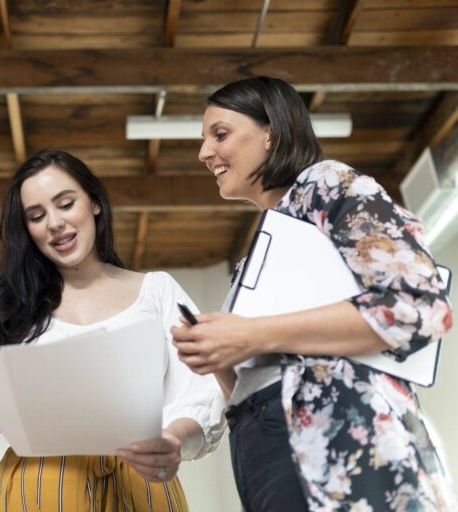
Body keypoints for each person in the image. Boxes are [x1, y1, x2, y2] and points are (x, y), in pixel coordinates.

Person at [171, 77, 456, 511]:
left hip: (342, 443)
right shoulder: (260, 252)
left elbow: (419, 304)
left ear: (272, 132)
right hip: (267, 450)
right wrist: (216, 354)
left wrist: (250, 335)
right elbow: (260, 379)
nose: (204, 152)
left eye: (220, 134)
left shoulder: (326, 184)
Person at [0, 149, 227, 511]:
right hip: (41, 481)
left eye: (65, 204)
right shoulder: (5, 305)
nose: (54, 223)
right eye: (36, 216)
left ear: (94, 203)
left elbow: (204, 389)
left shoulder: (158, 291)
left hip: (141, 476)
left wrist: (172, 439)